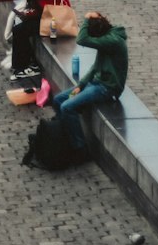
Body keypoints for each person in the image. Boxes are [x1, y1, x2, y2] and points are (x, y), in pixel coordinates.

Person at [52, 10, 128, 157]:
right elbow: (95, 66)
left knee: (67, 107)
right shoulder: (107, 37)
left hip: (107, 88)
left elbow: (81, 40)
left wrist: (87, 20)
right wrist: (81, 85)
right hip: (95, 83)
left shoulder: (113, 41)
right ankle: (66, 137)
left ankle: (80, 149)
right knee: (58, 99)